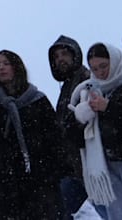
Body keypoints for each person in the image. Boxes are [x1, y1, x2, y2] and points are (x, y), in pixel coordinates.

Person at [0, 49, 67, 219]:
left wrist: (54, 169)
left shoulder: (37, 99)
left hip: (39, 176)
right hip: (5, 181)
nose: (2, 68)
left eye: (6, 64)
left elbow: (54, 136)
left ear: (16, 67)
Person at [66, 42, 122, 219]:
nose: (100, 72)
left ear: (115, 62)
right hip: (105, 167)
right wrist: (80, 118)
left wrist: (109, 108)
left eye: (104, 66)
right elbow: (72, 137)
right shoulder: (89, 91)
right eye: (95, 68)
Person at [49, 35, 94, 217]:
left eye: (64, 54)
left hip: (88, 162)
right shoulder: (66, 87)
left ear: (75, 55)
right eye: (56, 56)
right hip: (72, 165)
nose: (60, 59)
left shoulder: (86, 79)